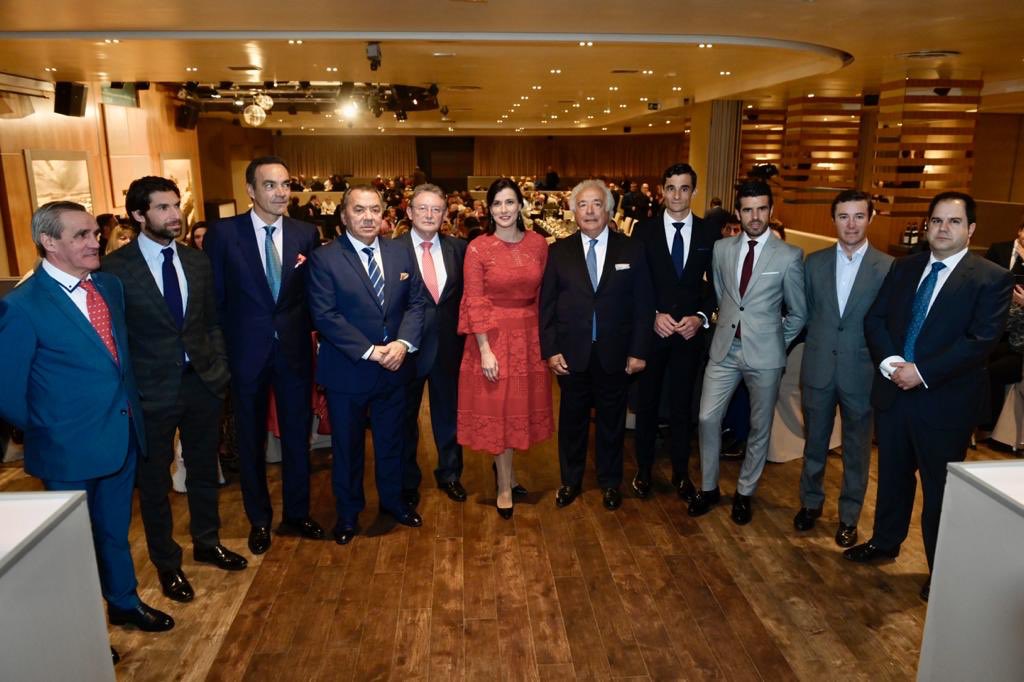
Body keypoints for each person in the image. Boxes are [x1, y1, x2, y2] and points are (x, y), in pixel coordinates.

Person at [0, 201, 174, 650]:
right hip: (66, 451)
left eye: (95, 232)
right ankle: (83, 636)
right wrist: (53, 430)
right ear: (49, 242)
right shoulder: (21, 305)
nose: (95, 241)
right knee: (73, 549)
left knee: (115, 533)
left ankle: (124, 602)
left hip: (121, 436)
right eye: (81, 235)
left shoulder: (109, 286)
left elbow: (116, 362)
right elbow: (8, 391)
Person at [845, 191, 1012, 601]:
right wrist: (891, 364)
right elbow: (876, 319)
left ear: (971, 229)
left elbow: (981, 341)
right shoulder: (904, 267)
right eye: (936, 220)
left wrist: (920, 372)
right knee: (892, 478)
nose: (943, 228)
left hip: (945, 403)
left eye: (954, 221)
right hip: (895, 393)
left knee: (940, 492)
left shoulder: (991, 278)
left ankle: (941, 570)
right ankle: (885, 541)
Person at [102, 177, 246, 605]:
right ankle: (167, 563)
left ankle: (207, 542)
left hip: (202, 382)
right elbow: (115, 337)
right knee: (154, 482)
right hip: (151, 391)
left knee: (203, 469)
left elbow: (211, 321)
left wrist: (218, 369)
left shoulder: (196, 261)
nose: (174, 215)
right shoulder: (115, 269)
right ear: (138, 215)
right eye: (162, 207)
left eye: (176, 205)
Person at [205, 156, 325, 555]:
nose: (280, 192)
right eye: (270, 185)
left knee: (296, 437)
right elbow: (215, 301)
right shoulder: (224, 234)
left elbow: (311, 296)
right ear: (250, 190)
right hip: (245, 354)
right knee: (250, 439)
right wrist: (222, 355)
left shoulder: (305, 233)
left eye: (285, 184)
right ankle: (259, 519)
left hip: (293, 352)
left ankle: (297, 513)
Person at [307, 185, 426, 545]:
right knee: (348, 448)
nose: (368, 217)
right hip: (349, 371)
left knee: (392, 442)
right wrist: (371, 351)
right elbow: (325, 315)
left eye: (375, 209)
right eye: (359, 210)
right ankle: (347, 514)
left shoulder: (400, 252)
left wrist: (403, 344)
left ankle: (394, 503)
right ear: (344, 216)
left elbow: (416, 304)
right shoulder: (325, 258)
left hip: (395, 367)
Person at [690, 179, 806, 524]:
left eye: (761, 209)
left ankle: (744, 492)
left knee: (759, 426)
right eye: (747, 209)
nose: (755, 216)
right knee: (707, 418)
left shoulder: (788, 255)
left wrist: (776, 342)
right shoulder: (722, 249)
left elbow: (799, 312)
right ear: (738, 213)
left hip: (766, 356)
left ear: (770, 210)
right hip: (724, 350)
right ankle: (709, 488)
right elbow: (723, 296)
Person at [540, 179, 654, 510]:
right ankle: (570, 481)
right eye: (583, 205)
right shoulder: (558, 252)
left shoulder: (631, 249)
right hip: (571, 354)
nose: (590, 211)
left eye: (597, 204)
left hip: (615, 354)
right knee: (572, 422)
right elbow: (546, 306)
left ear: (608, 210)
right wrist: (550, 350)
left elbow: (643, 305)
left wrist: (638, 350)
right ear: (573, 211)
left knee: (611, 423)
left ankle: (610, 482)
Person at [794, 190, 893, 548]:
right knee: (814, 442)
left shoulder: (888, 267)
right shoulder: (813, 263)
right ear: (833, 219)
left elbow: (890, 322)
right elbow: (806, 313)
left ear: (871, 218)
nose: (851, 224)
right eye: (843, 216)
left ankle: (849, 516)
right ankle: (810, 503)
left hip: (861, 372)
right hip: (818, 367)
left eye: (858, 216)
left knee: (856, 450)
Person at [458, 178, 554, 518]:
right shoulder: (478, 248)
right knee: (499, 412)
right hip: (492, 337)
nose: (504, 209)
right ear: (489, 208)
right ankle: (503, 486)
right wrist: (485, 349)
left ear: (520, 205)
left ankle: (509, 475)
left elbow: (544, 296)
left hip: (528, 337)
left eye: (510, 202)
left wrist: (547, 342)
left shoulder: (539, 244)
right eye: (497, 203)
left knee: (518, 411)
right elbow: (474, 299)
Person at [629, 163, 719, 499]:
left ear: (694, 191)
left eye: (684, 188)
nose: (677, 195)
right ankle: (643, 470)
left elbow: (717, 286)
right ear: (662, 191)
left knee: (683, 406)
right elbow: (636, 283)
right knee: (647, 404)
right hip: (653, 333)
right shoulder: (644, 231)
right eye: (671, 188)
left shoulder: (709, 233)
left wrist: (701, 316)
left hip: (689, 335)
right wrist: (653, 315)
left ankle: (681, 473)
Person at [396, 184, 468, 506]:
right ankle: (407, 480)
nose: (429, 214)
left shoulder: (460, 249)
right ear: (410, 212)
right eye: (422, 208)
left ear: (445, 214)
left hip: (450, 347)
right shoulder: (392, 250)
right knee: (404, 419)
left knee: (449, 415)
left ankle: (451, 474)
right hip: (406, 350)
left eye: (436, 209)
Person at [981, 214, 1024, 433]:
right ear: (1020, 230)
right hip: (1003, 328)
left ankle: (987, 424)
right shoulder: (999, 250)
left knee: (993, 371)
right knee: (978, 359)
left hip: (1018, 342)